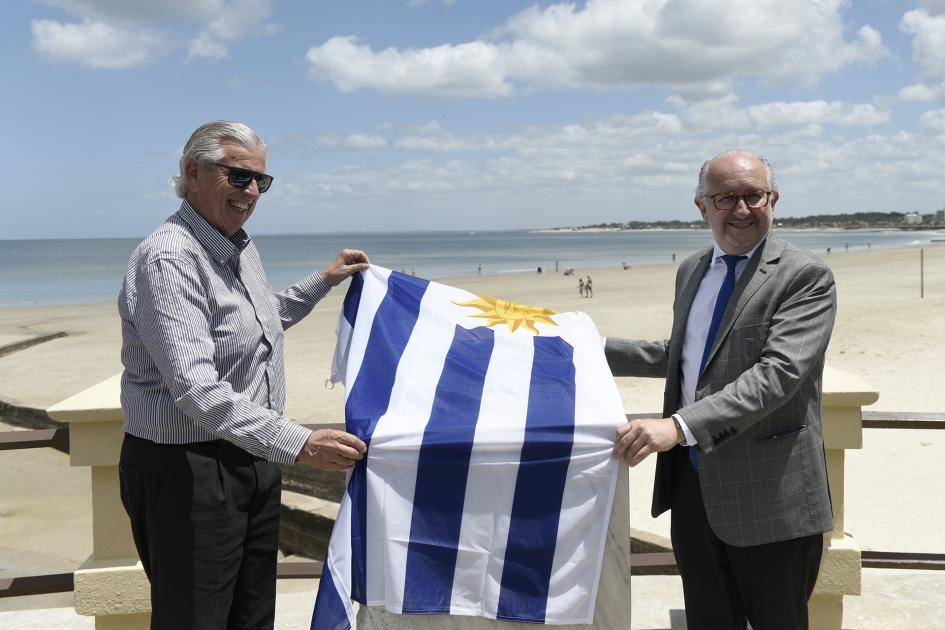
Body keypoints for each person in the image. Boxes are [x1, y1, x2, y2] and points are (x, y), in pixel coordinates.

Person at [118, 120, 369, 630]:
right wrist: (298, 443)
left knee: (251, 616)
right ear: (193, 173)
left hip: (246, 457)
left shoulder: (238, 246)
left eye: (261, 181)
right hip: (186, 469)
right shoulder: (170, 256)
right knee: (197, 619)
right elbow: (196, 389)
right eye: (238, 177)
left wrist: (324, 281)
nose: (251, 191)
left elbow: (256, 319)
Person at [604, 150, 835, 629]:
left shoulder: (805, 276)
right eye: (727, 197)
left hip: (772, 495)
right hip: (693, 489)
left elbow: (778, 375)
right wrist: (589, 347)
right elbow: (685, 355)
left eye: (754, 195)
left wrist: (678, 426)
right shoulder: (692, 270)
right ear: (701, 206)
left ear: (773, 199)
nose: (742, 209)